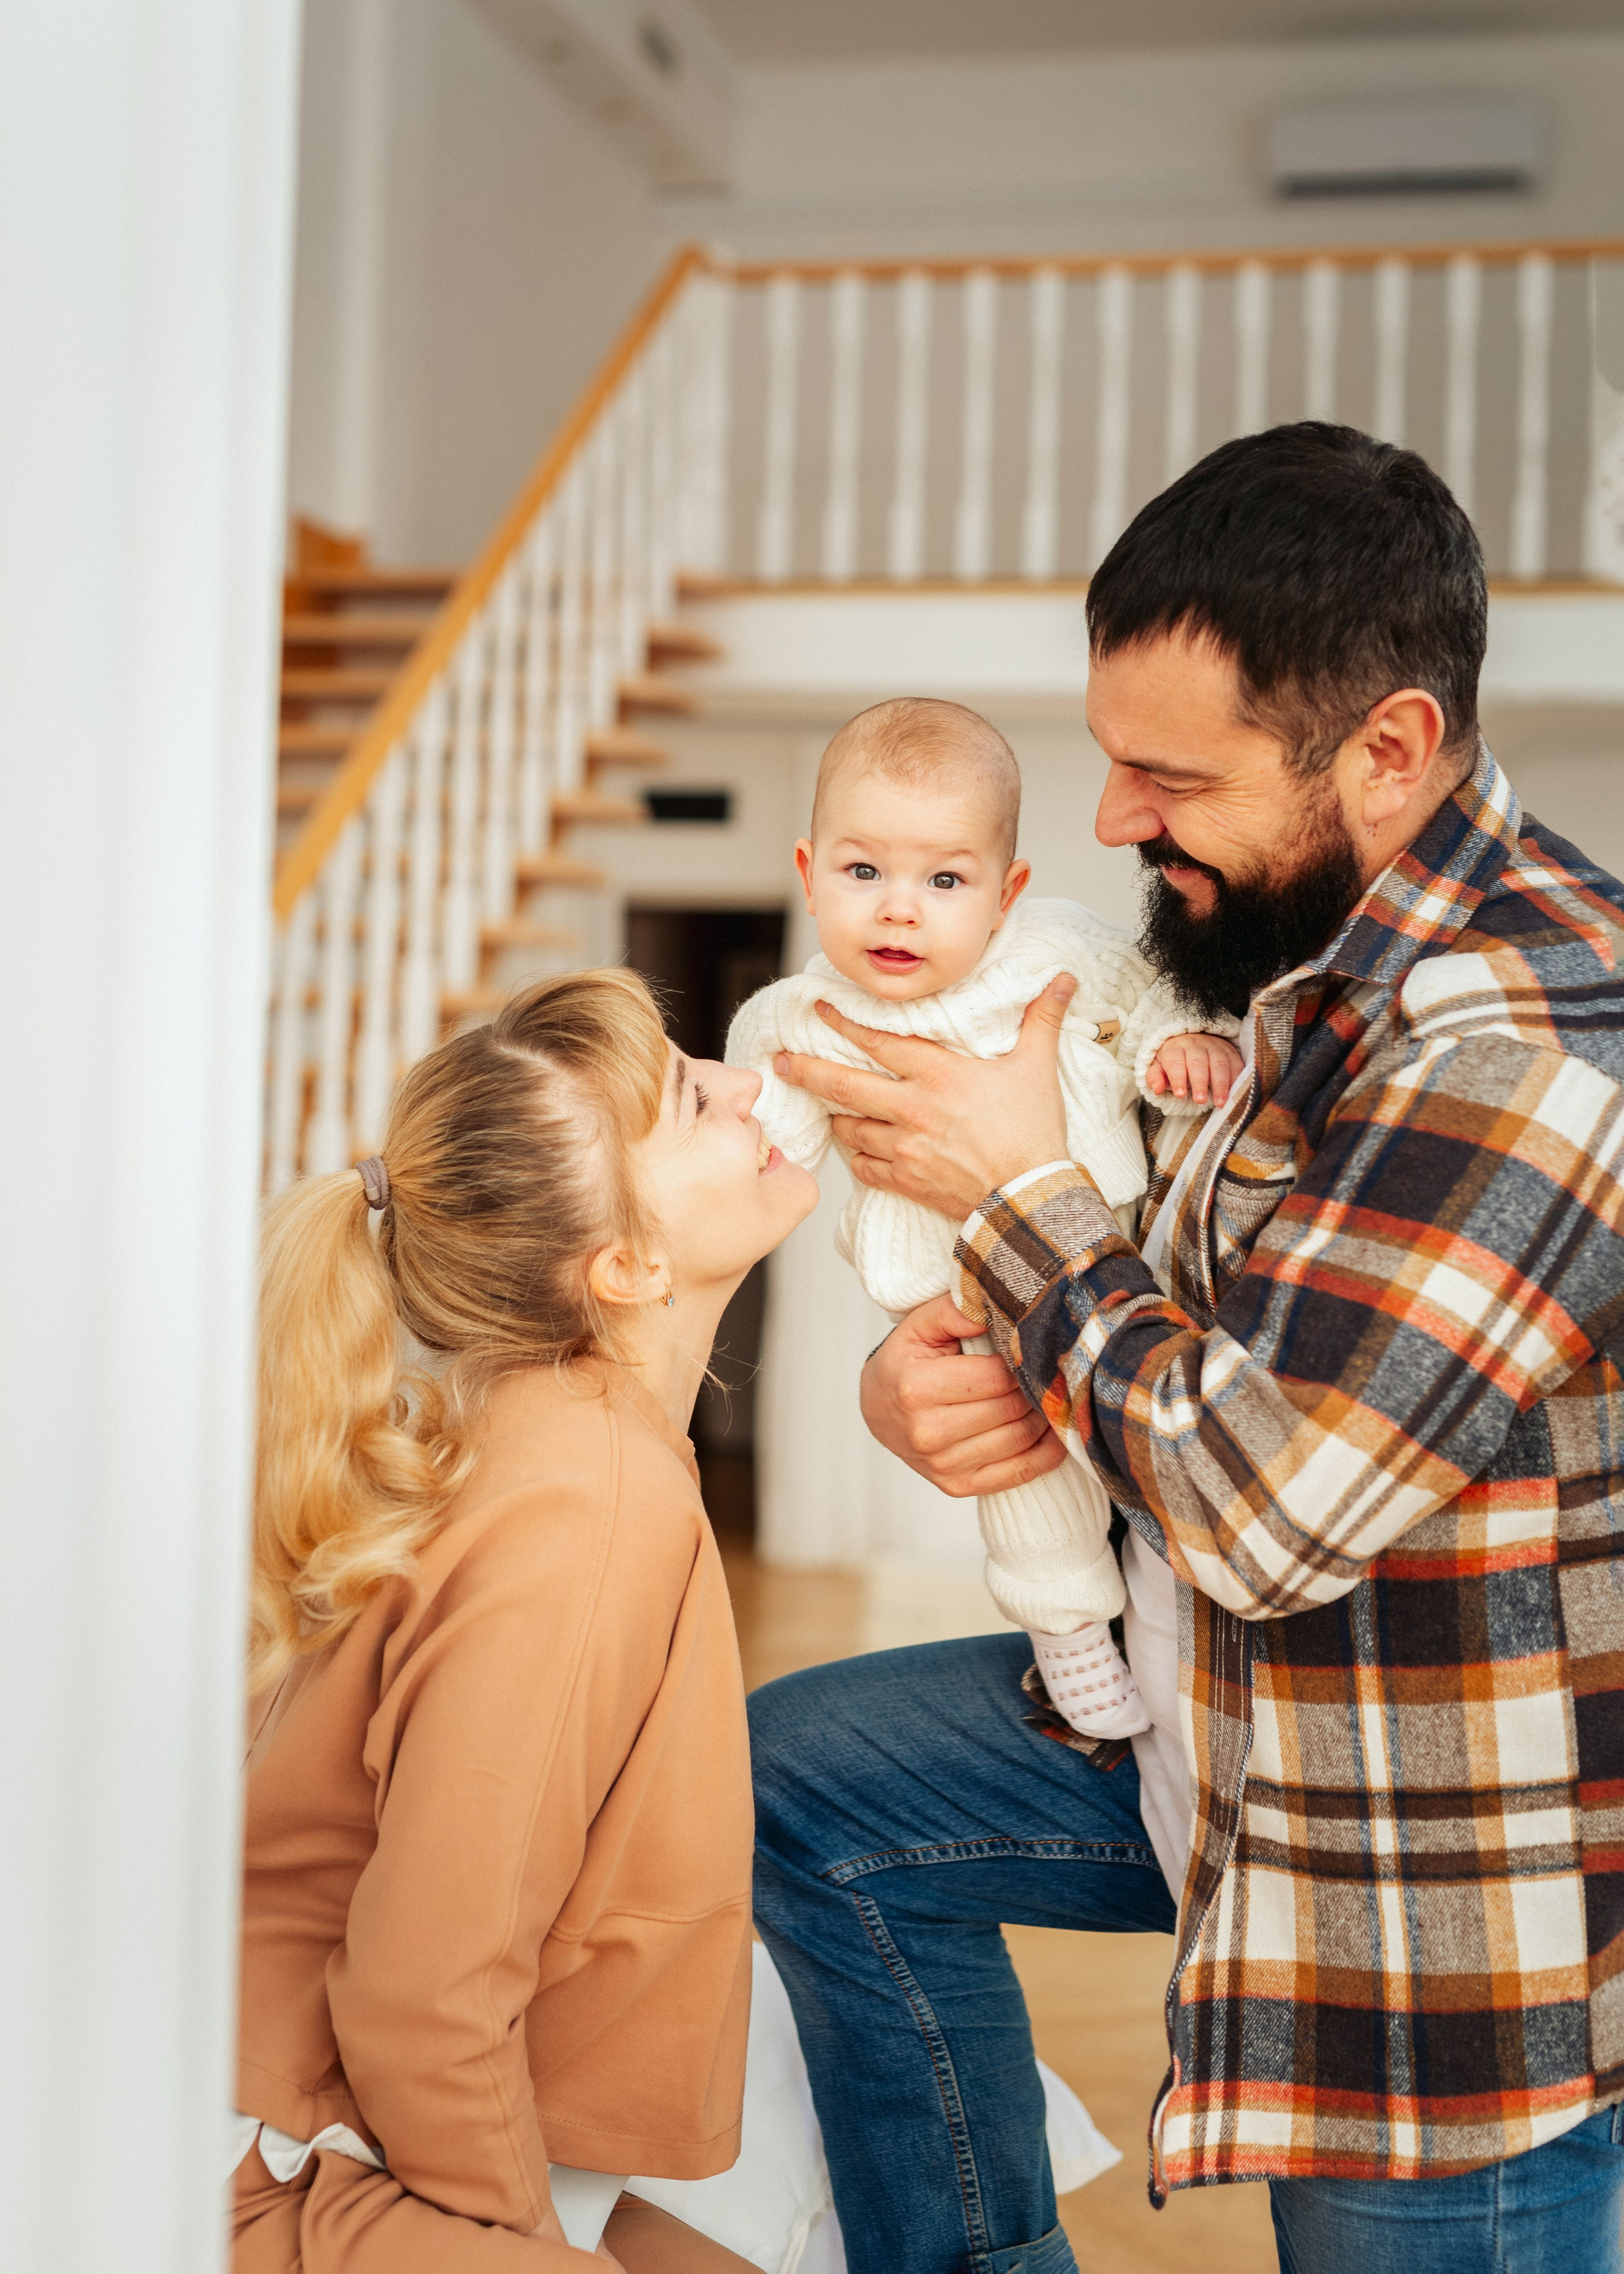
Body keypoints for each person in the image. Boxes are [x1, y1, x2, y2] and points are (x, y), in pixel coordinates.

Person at [747, 423, 1624, 2274]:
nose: (1110, 822)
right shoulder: (1302, 966)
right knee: (797, 1786)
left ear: (1385, 749)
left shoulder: (1524, 1043)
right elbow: (1165, 1315)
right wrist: (933, 1385)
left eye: (1167, 774)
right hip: (1210, 1721)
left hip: (1425, 1906)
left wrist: (1009, 1200)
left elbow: (1269, 1509)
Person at [233, 969, 818, 2273]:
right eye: (689, 1094)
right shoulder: (589, 1495)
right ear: (625, 1263)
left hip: (338, 2110)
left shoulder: (568, 1441)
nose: (740, 1080)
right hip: (287, 2157)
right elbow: (420, 1994)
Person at [727, 695, 1240, 1737]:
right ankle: (1068, 1640)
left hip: (1120, 1254)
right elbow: (758, 1131)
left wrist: (1171, 1048)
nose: (898, 910)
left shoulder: (1055, 951)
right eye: (862, 872)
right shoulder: (798, 1014)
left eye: (944, 880)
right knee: (1025, 1474)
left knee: (1140, 1439)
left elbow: (1149, 999)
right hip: (962, 1306)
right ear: (807, 872)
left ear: (1006, 894)